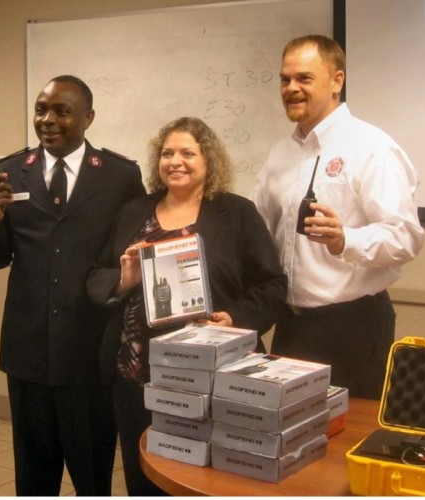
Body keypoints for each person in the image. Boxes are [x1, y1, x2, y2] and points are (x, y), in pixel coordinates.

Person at [87, 116, 287, 496]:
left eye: (187, 153)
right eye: (167, 154)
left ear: (208, 160)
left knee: (205, 481)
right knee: (144, 477)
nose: (175, 161)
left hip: (211, 379)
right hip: (137, 378)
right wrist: (124, 279)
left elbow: (273, 283)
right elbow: (97, 275)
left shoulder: (237, 213)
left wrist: (236, 319)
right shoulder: (133, 212)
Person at [0, 75, 145, 496]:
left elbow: (132, 249)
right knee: (33, 479)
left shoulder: (120, 176)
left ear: (88, 118)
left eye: (61, 111)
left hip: (89, 353)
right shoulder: (11, 171)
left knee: (93, 478)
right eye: (41, 110)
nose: (47, 120)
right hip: (27, 352)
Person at [251, 35, 425, 400]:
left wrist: (345, 239)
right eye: (285, 79)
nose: (291, 88)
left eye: (304, 78)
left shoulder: (371, 147)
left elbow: (406, 237)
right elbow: (256, 232)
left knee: (349, 432)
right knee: (291, 430)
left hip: (352, 328)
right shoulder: (279, 155)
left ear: (337, 81)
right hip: (291, 325)